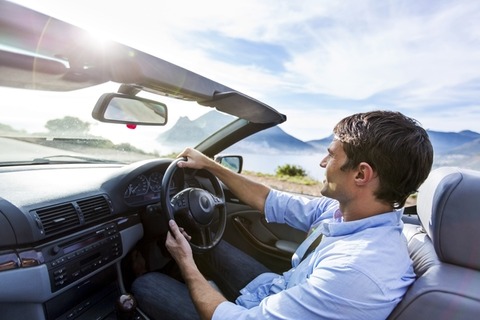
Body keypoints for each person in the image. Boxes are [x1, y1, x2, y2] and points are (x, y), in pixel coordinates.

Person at [132, 110, 434, 319]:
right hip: (277, 290)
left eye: (331, 154)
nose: (321, 162)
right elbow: (268, 199)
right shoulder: (346, 214)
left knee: (146, 285)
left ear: (361, 175)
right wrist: (210, 165)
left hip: (258, 310)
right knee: (213, 244)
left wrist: (186, 263)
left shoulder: (356, 271)